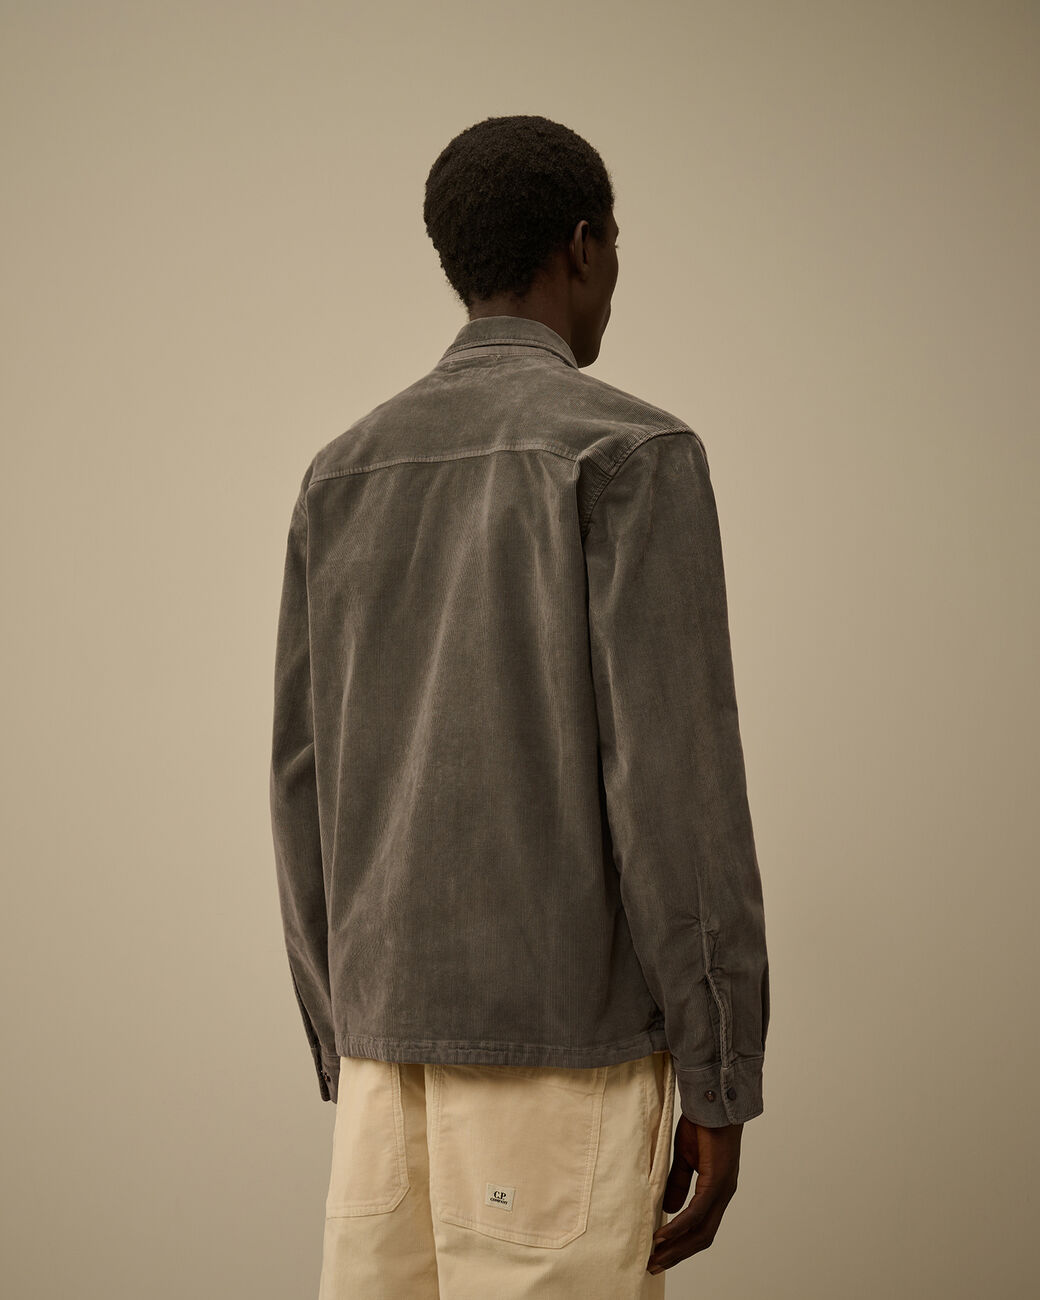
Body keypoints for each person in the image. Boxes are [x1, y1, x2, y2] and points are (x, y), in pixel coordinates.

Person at [269, 113, 770, 1298]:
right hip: (564, 1066)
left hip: (384, 1062)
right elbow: (676, 794)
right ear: (583, 245)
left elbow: (301, 784)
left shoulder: (342, 471)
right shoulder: (629, 452)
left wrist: (344, 1032)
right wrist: (719, 1076)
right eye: (614, 248)